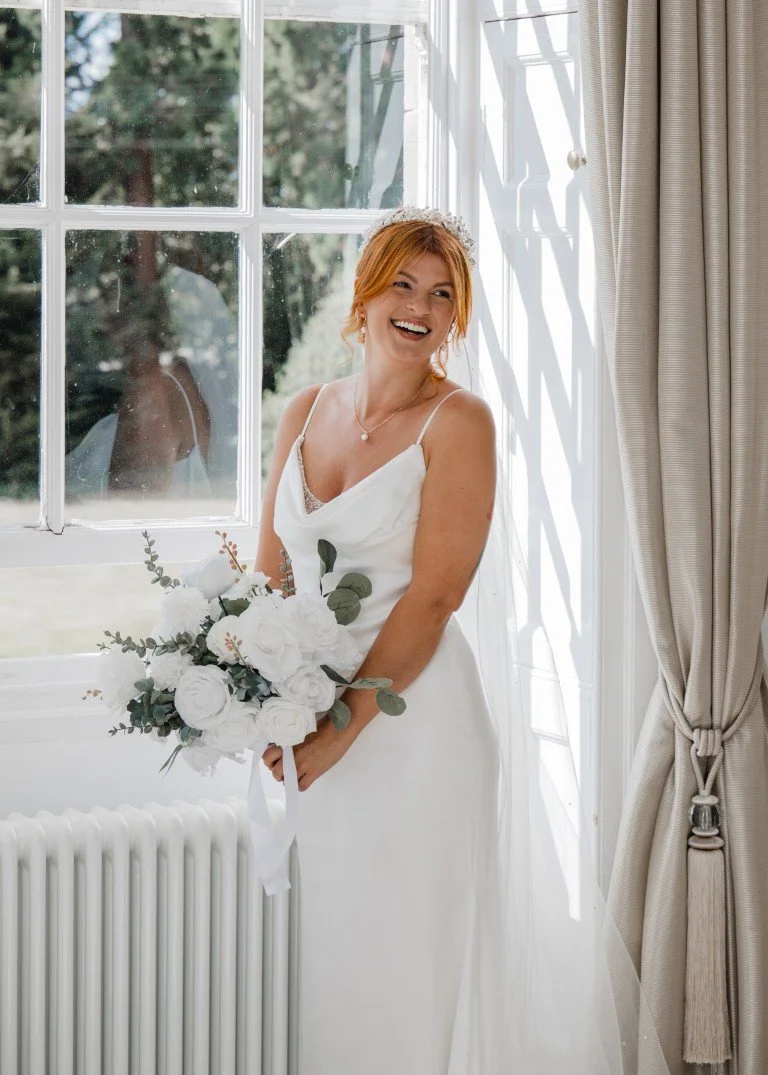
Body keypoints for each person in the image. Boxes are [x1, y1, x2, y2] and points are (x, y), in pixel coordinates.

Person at [255, 207, 507, 1074]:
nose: (420, 306)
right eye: (402, 283)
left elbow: (435, 597)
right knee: (346, 958)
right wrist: (255, 695)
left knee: (412, 966)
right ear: (363, 296)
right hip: (320, 725)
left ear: (455, 317)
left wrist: (338, 728)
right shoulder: (304, 410)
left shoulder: (460, 422)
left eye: (442, 294)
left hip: (414, 724)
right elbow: (270, 578)